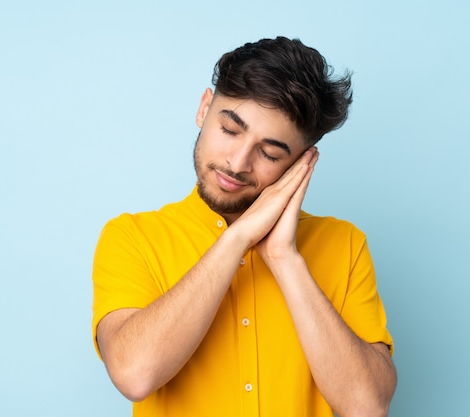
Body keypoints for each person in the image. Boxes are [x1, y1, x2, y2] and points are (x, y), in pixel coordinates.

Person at [92, 36, 396, 417]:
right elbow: (134, 375)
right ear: (205, 109)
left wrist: (285, 258)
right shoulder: (132, 237)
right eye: (230, 131)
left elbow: (367, 408)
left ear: (301, 162)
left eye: (269, 153)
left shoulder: (345, 244)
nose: (238, 163)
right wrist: (237, 239)